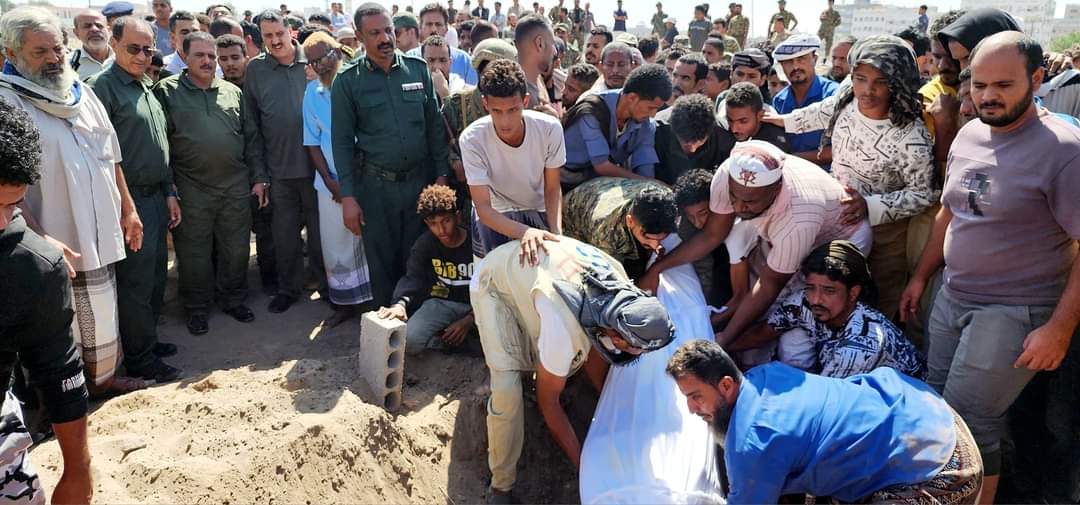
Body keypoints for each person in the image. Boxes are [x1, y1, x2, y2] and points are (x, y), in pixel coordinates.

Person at [900, 32, 1080, 505]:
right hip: (953, 296)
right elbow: (950, 213)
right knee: (936, 406)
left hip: (1014, 308)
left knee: (970, 421)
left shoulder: (1064, 150)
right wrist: (921, 277)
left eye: (1003, 85)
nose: (987, 96)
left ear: (1036, 79)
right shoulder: (970, 133)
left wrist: (1060, 328)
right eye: (979, 85)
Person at [1, 6, 148, 396]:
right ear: (11, 54)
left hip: (97, 228)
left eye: (57, 49)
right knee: (54, 322)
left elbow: (110, 154)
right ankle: (60, 399)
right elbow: (7, 185)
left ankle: (102, 380)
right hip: (49, 234)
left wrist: (128, 208)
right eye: (40, 52)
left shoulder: (80, 92)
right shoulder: (7, 102)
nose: (53, 59)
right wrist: (38, 238)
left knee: (101, 310)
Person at [475, 236, 675, 503]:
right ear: (618, 337)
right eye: (636, 348)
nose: (638, 354)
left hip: (533, 277)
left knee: (567, 358)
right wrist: (585, 469)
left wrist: (615, 412)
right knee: (507, 391)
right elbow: (549, 401)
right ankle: (501, 486)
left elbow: (596, 349)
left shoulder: (617, 287)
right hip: (495, 283)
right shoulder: (564, 324)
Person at [666, 340, 983, 505]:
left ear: (725, 385)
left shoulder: (751, 445)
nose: (692, 409)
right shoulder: (765, 375)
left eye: (696, 396)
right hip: (926, 409)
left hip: (942, 467)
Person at [639, 141, 871, 367]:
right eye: (734, 197)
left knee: (796, 330)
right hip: (782, 237)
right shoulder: (729, 174)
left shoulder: (798, 218)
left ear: (776, 189)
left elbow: (769, 286)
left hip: (836, 241)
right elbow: (712, 235)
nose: (739, 208)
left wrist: (723, 340)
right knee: (757, 330)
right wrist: (658, 268)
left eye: (749, 201)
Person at [767, 35, 935, 320]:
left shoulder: (911, 136)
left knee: (878, 300)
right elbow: (823, 111)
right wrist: (782, 121)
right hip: (838, 215)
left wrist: (869, 205)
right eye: (860, 78)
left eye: (880, 81)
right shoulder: (847, 97)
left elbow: (923, 193)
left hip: (885, 235)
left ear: (898, 82)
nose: (867, 90)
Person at [0, 97, 94, 505]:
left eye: (11, 205)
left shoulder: (29, 265)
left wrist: (78, 469)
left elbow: (60, 373)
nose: (2, 222)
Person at [333, 2, 450, 308]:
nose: (385, 38)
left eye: (388, 30)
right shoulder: (348, 81)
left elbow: (435, 127)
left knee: (420, 257)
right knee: (382, 264)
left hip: (419, 185)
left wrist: (441, 176)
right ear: (359, 36)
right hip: (376, 190)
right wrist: (349, 197)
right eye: (375, 33)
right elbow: (341, 142)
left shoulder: (418, 69)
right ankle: (387, 324)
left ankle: (417, 321)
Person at [86, 16, 181, 380]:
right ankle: (140, 359)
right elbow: (103, 156)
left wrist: (169, 191)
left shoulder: (144, 84)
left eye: (148, 49)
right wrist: (127, 208)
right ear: (113, 44)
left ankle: (147, 342)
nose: (142, 56)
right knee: (136, 284)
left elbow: (159, 145)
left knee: (155, 277)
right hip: (130, 203)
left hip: (156, 197)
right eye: (133, 49)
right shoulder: (102, 88)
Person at [154, 31, 255, 337]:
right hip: (191, 187)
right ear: (184, 57)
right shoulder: (167, 91)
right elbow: (160, 145)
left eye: (212, 56)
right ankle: (197, 308)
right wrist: (169, 188)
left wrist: (259, 178)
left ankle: (233, 299)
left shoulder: (232, 92)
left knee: (236, 249)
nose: (208, 61)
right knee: (193, 253)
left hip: (234, 185)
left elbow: (251, 139)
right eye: (199, 55)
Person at [742, 241, 925, 378]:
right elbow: (760, 334)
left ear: (853, 293)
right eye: (811, 288)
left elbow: (823, 402)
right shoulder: (804, 303)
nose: (816, 299)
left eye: (829, 291)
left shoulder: (860, 345)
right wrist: (724, 346)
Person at [245, 10, 325, 314]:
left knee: (321, 237)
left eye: (279, 33)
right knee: (285, 237)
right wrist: (260, 175)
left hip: (318, 170)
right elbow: (252, 127)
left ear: (290, 31)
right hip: (279, 171)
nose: (275, 41)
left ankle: (328, 288)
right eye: (268, 36)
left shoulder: (314, 60)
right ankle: (289, 289)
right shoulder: (256, 70)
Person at [300, 32, 373, 327]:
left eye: (323, 57)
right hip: (330, 186)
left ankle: (374, 303)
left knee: (369, 242)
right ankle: (345, 304)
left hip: (366, 179)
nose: (319, 65)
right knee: (336, 245)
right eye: (312, 62)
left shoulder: (358, 83)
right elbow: (312, 142)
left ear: (338, 52)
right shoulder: (311, 93)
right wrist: (332, 183)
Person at [462, 59, 565, 259]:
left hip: (538, 208)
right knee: (491, 275)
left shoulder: (550, 129)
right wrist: (525, 232)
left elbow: (552, 188)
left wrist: (556, 232)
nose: (505, 121)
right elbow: (483, 208)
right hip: (495, 215)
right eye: (497, 111)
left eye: (513, 110)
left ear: (525, 101)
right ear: (485, 104)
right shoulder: (472, 139)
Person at [377, 185, 475, 354]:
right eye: (433, 224)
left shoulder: (476, 241)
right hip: (442, 304)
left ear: (458, 217)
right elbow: (412, 278)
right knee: (409, 341)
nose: (441, 230)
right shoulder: (424, 244)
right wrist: (400, 305)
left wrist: (470, 319)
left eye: (446, 221)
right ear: (427, 224)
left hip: (478, 306)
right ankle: (446, 341)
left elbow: (493, 287)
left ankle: (465, 339)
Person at [562, 64, 671, 187]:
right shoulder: (592, 111)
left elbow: (645, 164)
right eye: (650, 108)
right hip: (562, 178)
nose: (653, 114)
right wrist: (645, 182)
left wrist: (652, 186)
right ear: (632, 98)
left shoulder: (646, 124)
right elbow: (602, 166)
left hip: (593, 180)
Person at [442, 39, 518, 197]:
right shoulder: (456, 104)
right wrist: (455, 161)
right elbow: (440, 145)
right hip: (467, 196)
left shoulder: (520, 105)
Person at [563, 178, 676, 279]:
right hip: (571, 217)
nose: (655, 245)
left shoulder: (666, 201)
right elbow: (609, 272)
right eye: (648, 238)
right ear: (630, 221)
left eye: (661, 239)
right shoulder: (605, 232)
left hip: (603, 190)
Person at [771, 34, 839, 167]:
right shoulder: (779, 101)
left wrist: (793, 159)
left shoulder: (834, 95)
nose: (795, 66)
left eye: (801, 59)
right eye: (788, 61)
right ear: (782, 66)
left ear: (815, 59)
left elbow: (840, 149)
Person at [653, 94, 734, 185]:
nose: (692, 149)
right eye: (686, 144)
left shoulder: (724, 137)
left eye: (700, 142)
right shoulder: (655, 131)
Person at [415, 3, 479, 86]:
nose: (434, 29)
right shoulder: (410, 59)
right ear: (420, 28)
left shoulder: (464, 61)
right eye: (429, 24)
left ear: (446, 28)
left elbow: (472, 91)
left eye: (438, 24)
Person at [513, 14, 558, 110]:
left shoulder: (537, 81)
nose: (555, 52)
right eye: (552, 44)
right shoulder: (521, 96)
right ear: (540, 44)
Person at [724, 82, 787, 148]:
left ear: (760, 115)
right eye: (730, 120)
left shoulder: (773, 143)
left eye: (743, 121)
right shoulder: (723, 131)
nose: (734, 129)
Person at [71, 10, 115, 80]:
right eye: (87, 26)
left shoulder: (123, 58)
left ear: (109, 30)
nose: (94, 29)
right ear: (76, 33)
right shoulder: (68, 64)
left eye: (99, 25)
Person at [161, 10, 200, 75]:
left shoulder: (213, 65)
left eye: (195, 32)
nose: (192, 36)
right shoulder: (163, 67)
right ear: (173, 37)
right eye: (185, 33)